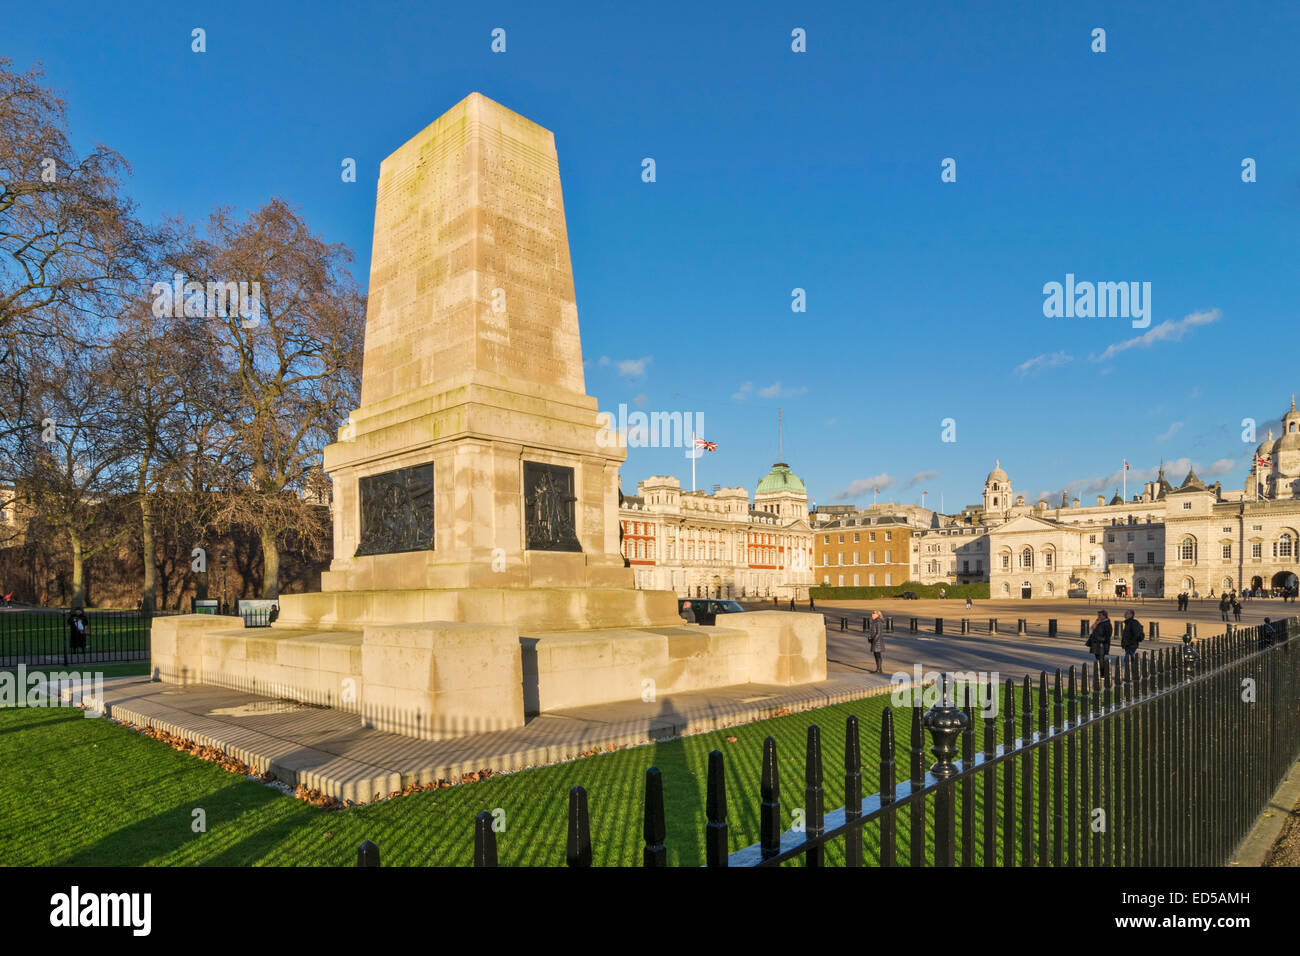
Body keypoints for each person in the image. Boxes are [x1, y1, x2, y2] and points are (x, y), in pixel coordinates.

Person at [1086, 609, 1112, 680]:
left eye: (1100, 615)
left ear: (1104, 616)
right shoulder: (1098, 622)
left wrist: (1101, 641)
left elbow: (1108, 635)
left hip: (1102, 644)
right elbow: (1091, 631)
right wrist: (1095, 625)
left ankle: (1103, 674)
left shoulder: (1107, 623)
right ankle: (1101, 672)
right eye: (1098, 615)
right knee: (1097, 658)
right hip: (1095, 643)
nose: (1098, 616)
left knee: (1101, 659)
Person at [867, 609, 885, 674]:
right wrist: (869, 638)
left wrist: (873, 640)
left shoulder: (878, 622)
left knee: (877, 655)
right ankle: (879, 669)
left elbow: (878, 633)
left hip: (877, 642)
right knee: (876, 655)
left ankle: (879, 669)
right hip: (875, 641)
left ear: (878, 614)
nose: (872, 614)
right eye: (872, 613)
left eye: (874, 613)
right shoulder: (875, 621)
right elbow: (872, 632)